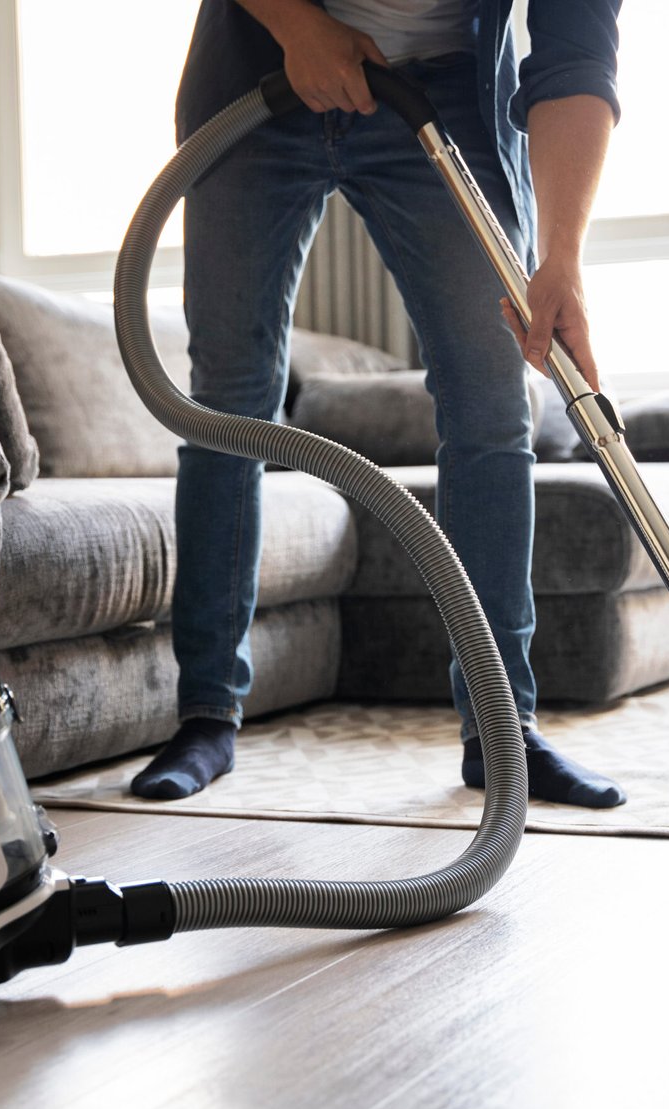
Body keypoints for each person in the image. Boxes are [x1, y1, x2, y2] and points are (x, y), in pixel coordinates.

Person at [131, 0, 627, 808]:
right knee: (229, 401)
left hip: (447, 94)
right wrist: (299, 28)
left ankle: (503, 730)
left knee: (491, 403)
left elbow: (574, 56)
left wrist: (562, 257)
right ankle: (206, 716)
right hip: (257, 77)